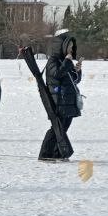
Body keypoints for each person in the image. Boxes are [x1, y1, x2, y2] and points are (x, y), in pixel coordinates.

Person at [40, 31, 82, 160]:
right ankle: (45, 154)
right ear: (62, 47)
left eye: (71, 47)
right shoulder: (53, 61)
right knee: (56, 128)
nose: (71, 50)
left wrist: (78, 71)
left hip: (68, 100)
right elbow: (57, 74)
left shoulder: (64, 61)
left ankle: (58, 153)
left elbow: (74, 80)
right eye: (69, 47)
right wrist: (67, 62)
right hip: (58, 101)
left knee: (64, 128)